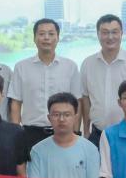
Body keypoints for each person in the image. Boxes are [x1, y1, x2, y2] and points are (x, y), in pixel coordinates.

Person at [9, 18, 82, 155]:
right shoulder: (21, 67)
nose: (46, 38)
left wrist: (76, 132)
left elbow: (77, 102)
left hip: (63, 133)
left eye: (51, 34)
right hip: (31, 133)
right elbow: (16, 102)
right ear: (34, 38)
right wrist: (15, 133)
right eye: (41, 34)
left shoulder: (70, 66)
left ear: (58, 38)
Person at [80, 14, 126, 147]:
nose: (110, 37)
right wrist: (86, 131)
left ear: (121, 33)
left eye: (114, 32)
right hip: (97, 135)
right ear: (98, 34)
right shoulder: (88, 64)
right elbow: (86, 99)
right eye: (105, 32)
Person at [27, 92, 100, 178]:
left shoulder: (90, 150)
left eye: (67, 115)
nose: (61, 119)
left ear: (75, 117)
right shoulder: (37, 151)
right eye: (56, 115)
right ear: (49, 118)